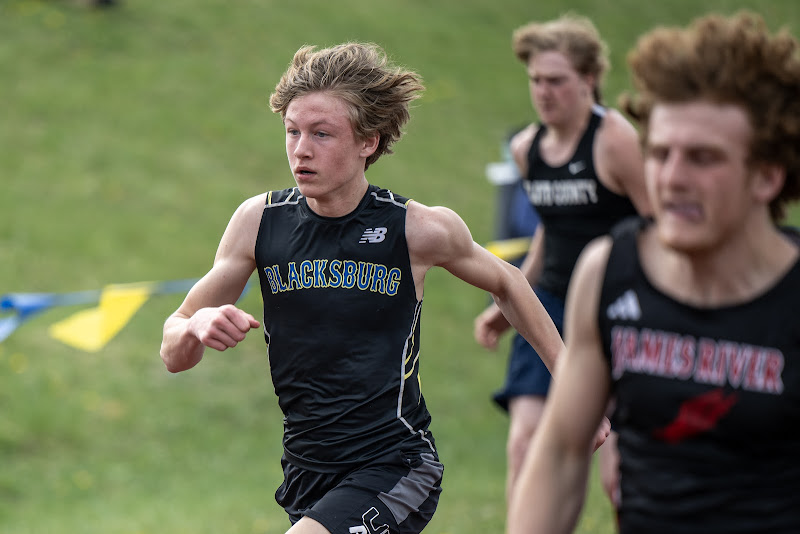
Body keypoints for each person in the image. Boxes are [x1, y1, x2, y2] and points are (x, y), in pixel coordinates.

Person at [159, 42, 567, 534]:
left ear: (368, 142)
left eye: (322, 134)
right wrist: (197, 323)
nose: (300, 149)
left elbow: (508, 281)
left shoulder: (417, 229)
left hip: (396, 464)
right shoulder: (259, 222)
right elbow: (174, 353)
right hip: (307, 471)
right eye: (292, 132)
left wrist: (569, 383)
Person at [507, 11, 800, 534]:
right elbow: (562, 452)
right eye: (660, 155)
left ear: (768, 176)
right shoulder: (611, 273)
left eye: (703, 158)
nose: (672, 179)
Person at [473, 13, 650, 507]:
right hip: (549, 302)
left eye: (556, 80)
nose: (543, 92)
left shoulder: (614, 139)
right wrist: (509, 299)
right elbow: (551, 229)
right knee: (525, 443)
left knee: (620, 466)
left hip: (615, 305)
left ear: (589, 79)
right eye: (535, 81)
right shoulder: (527, 148)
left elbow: (659, 224)